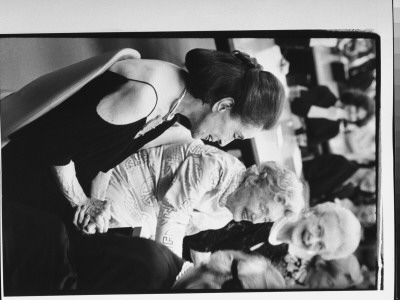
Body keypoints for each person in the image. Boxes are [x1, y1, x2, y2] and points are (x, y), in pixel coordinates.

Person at [2, 47, 285, 232]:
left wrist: (98, 203)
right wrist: (82, 203)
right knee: (58, 240)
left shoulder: (176, 105)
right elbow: (54, 145)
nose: (224, 144)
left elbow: (108, 158)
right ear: (223, 105)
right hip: (20, 155)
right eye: (235, 134)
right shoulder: (146, 97)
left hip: (50, 159)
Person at [74, 141, 304, 256]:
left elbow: (173, 233)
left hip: (131, 219)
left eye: (264, 220)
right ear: (254, 182)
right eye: (263, 208)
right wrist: (172, 269)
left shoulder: (223, 216)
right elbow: (173, 214)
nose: (255, 220)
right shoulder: (219, 167)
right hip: (114, 186)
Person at [184, 202, 362, 268]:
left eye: (320, 245)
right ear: (314, 213)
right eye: (319, 230)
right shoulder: (270, 209)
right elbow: (200, 237)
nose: (312, 239)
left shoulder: (275, 257)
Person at [290, 85, 375, 146]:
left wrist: (298, 123)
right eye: (356, 110)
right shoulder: (325, 93)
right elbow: (294, 105)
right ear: (353, 100)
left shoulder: (334, 130)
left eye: (356, 117)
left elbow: (304, 142)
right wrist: (325, 112)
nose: (352, 115)